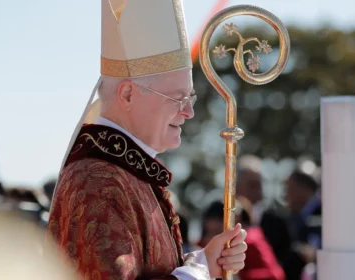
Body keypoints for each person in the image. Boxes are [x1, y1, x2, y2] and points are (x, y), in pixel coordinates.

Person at [46, 1, 248, 279]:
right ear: (127, 95)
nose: (188, 111)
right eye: (178, 98)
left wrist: (204, 261)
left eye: (190, 98)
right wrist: (199, 273)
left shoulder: (127, 172)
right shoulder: (97, 181)